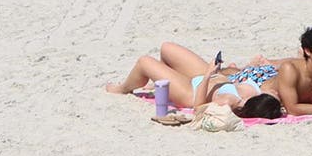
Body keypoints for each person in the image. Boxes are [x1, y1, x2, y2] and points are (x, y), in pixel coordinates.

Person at [105, 42, 282, 118]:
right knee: (167, 48)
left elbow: (198, 108)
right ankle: (160, 81)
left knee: (144, 62)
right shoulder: (261, 94)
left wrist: (207, 75)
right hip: (210, 77)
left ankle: (124, 88)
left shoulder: (231, 101)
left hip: (191, 91)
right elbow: (276, 96)